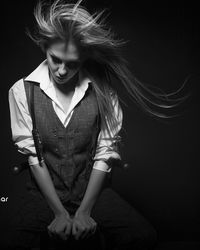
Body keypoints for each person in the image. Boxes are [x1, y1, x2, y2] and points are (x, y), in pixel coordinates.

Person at [5, 0, 188, 249]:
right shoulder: (21, 91)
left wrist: (84, 211)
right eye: (55, 59)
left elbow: (105, 153)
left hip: (90, 191)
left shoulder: (103, 93)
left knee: (142, 236)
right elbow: (33, 157)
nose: (61, 70)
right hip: (42, 194)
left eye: (72, 63)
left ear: (85, 59)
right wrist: (59, 213)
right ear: (44, 47)